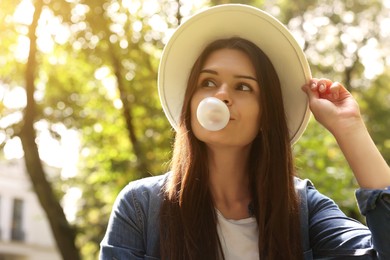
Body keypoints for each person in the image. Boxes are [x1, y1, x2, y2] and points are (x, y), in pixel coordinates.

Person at [100, 4, 390, 260]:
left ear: (266, 115)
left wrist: (349, 128)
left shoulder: (303, 210)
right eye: (208, 83)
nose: (221, 95)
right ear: (190, 102)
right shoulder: (140, 207)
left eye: (242, 87)